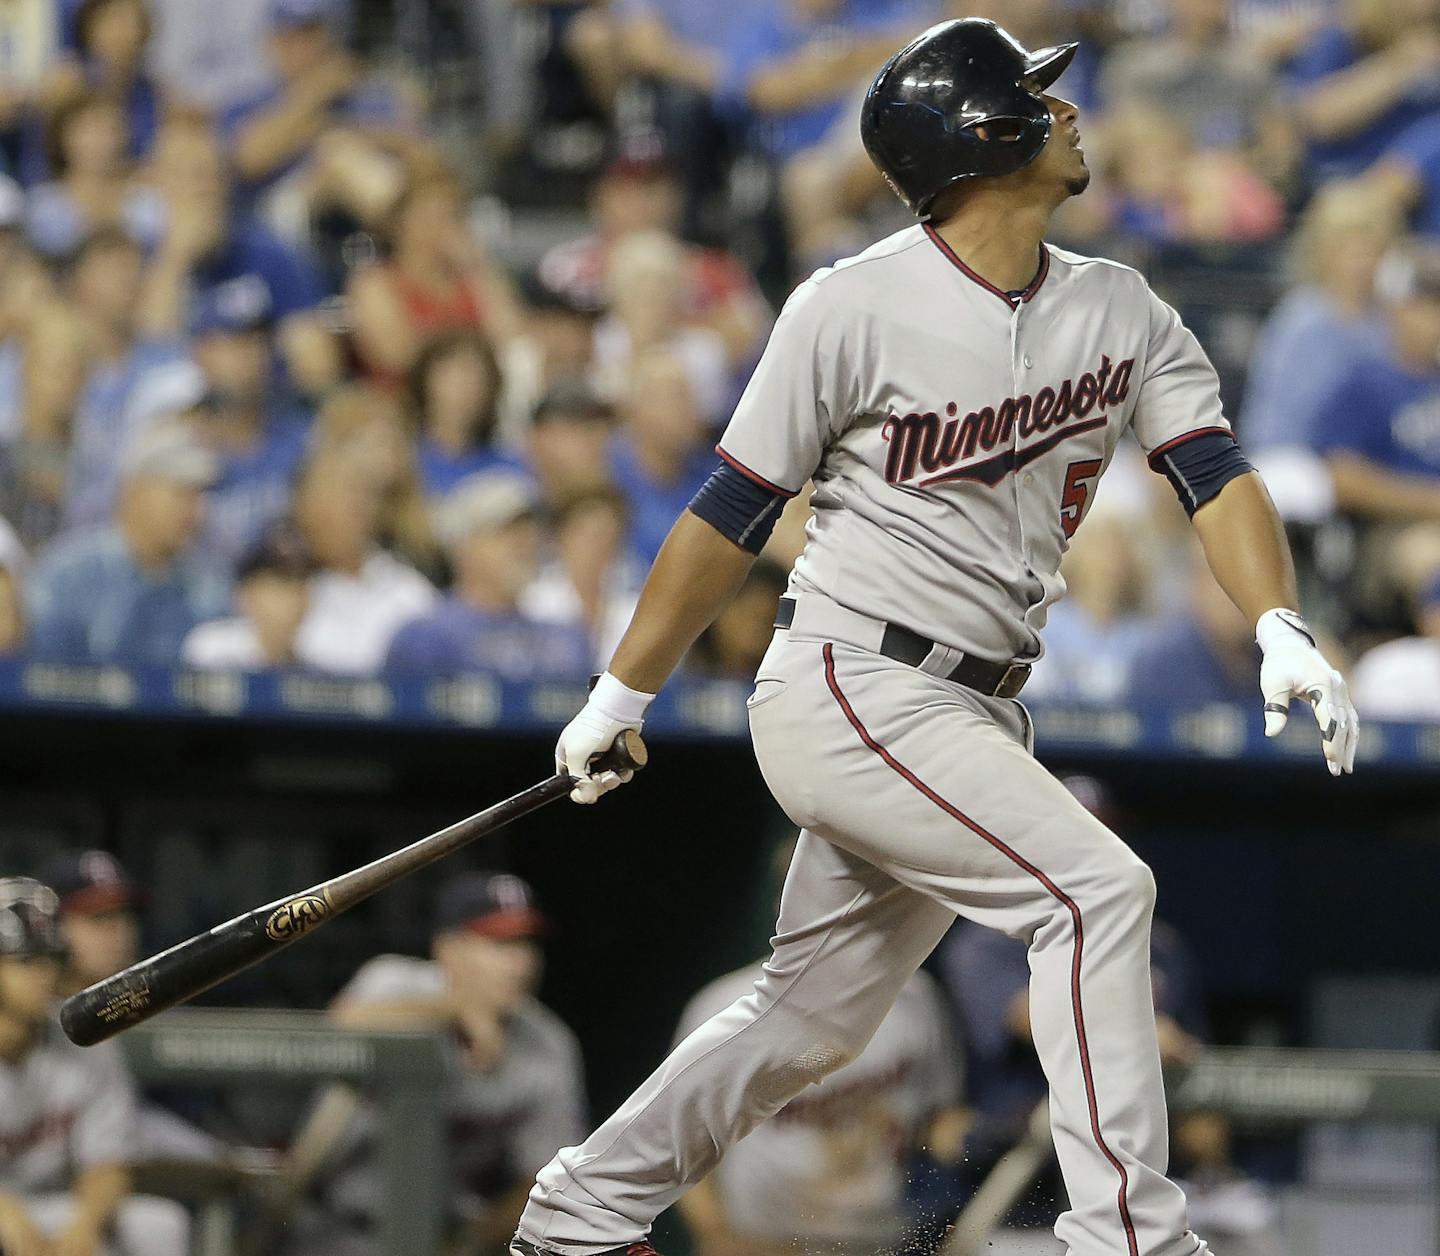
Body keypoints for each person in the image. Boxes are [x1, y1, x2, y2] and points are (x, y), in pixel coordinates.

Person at [514, 20, 1358, 1256]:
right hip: (853, 676)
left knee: (809, 1015)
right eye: (1036, 96)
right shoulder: (849, 303)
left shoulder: (1119, 306)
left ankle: (580, 1210)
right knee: (1096, 890)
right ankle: (1132, 1236)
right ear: (981, 135)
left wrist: (1279, 619)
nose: (1069, 111)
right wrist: (619, 694)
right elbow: (731, 514)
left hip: (972, 704)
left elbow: (1214, 474)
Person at [282, 872, 587, 1255]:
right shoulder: (396, 984)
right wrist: (454, 1008)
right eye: (498, 942)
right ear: (448, 949)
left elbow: (552, 1179)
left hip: (443, 1237)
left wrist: (468, 1244)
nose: (519, 962)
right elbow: (340, 1025)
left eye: (526, 944)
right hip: (334, 1226)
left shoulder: (547, 1044)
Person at [674, 958, 961, 1256]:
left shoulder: (916, 994)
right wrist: (717, 1234)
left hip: (889, 1240)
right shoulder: (727, 1009)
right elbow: (680, 1145)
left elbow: (940, 1116)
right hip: (766, 1244)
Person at [0, 878, 189, 1256]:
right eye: (26, 960)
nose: (44, 973)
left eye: (51, 958)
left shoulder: (83, 1038)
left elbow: (109, 1164)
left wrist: (84, 1225)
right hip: (7, 1211)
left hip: (52, 1205)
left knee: (158, 1225)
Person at [26, 417, 228, 665]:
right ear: (135, 490)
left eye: (200, 496)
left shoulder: (208, 585)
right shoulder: (70, 574)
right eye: (182, 493)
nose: (196, 511)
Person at [1239, 180, 1399, 450]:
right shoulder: (1301, 318)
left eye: (1371, 249)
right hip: (1297, 452)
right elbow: (1275, 421)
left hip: (1373, 458)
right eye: (1348, 250)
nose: (1362, 262)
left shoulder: (1393, 319)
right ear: (1323, 252)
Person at [385, 471, 592, 680]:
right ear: (463, 545)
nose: (524, 543)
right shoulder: (426, 637)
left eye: (529, 531)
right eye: (505, 532)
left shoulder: (566, 639)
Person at [347, 169, 520, 389]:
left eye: (451, 217)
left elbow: (513, 343)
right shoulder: (375, 282)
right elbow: (394, 355)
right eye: (428, 217)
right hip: (403, 401)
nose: (439, 228)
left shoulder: (474, 278)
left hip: (478, 404)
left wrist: (477, 268)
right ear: (398, 224)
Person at [1308, 239, 1440, 522]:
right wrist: (1429, 502)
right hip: (1390, 528)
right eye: (1428, 305)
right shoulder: (1367, 380)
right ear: (1397, 309)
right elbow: (1341, 478)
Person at [185, 278, 312, 566]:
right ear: (200, 353)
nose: (251, 355)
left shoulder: (304, 439)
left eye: (259, 341)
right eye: (235, 342)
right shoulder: (174, 448)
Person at [289, 445, 437, 673]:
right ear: (304, 508)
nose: (354, 509)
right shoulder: (283, 586)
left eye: (360, 498)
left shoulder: (407, 591)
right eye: (334, 497)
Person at [1286, 0, 1440, 181]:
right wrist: (1401, 64)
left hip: (1422, 176)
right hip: (1348, 175)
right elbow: (1319, 119)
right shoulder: (1346, 34)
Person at [608, 348, 716, 565]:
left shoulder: (712, 477)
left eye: (691, 398)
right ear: (634, 409)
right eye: (675, 398)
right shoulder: (607, 478)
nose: (688, 410)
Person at [407, 329, 523, 499]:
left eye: (478, 375)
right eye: (453, 372)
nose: (466, 385)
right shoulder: (404, 461)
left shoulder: (510, 466)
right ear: (424, 381)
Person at [182, 525, 316, 669]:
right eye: (278, 585)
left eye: (299, 585)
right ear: (245, 594)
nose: (292, 600)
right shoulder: (211, 647)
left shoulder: (319, 651)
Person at [525, 379, 618, 507]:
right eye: (584, 431)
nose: (598, 444)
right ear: (538, 440)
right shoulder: (512, 507)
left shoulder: (628, 508)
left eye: (604, 431)